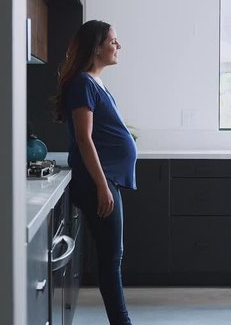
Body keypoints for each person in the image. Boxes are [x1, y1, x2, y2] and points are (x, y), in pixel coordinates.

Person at [54, 20, 135, 325]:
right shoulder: (83, 84)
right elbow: (84, 137)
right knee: (111, 260)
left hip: (105, 179)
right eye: (113, 41)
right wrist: (102, 186)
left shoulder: (95, 83)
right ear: (96, 47)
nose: (118, 46)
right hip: (97, 182)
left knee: (113, 258)